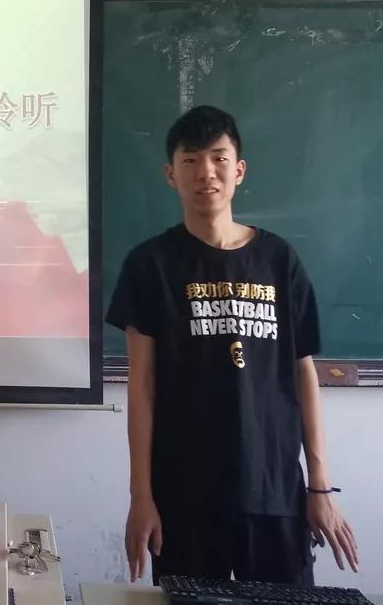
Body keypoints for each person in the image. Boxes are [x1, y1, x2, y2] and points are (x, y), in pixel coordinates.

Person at [107, 105, 360, 585]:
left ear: (239, 170)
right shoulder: (150, 264)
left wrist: (320, 486)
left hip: (274, 489)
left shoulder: (279, 260)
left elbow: (302, 373)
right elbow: (141, 387)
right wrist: (141, 497)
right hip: (183, 494)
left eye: (219, 158)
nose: (206, 172)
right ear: (170, 175)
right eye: (190, 160)